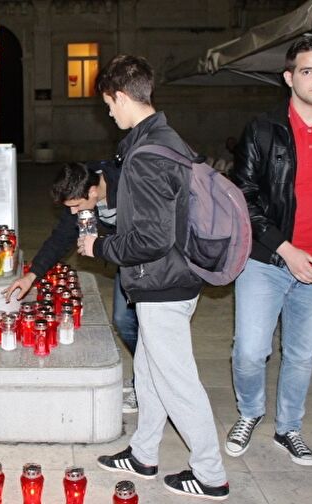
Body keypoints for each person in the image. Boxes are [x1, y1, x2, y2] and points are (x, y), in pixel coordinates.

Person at [78, 55, 229, 500]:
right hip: (177, 276)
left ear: (122, 97)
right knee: (148, 370)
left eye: (109, 104)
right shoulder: (168, 139)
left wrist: (100, 247)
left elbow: (151, 239)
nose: (109, 113)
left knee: (177, 380)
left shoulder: (145, 155)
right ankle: (144, 453)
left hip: (163, 282)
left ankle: (210, 473)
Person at [226, 35, 312, 466]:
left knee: (301, 355)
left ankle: (289, 428)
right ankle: (250, 413)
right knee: (250, 351)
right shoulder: (263, 129)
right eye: (307, 70)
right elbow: (243, 197)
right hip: (266, 260)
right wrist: (285, 248)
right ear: (289, 77)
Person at [1, 158, 140, 414]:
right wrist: (31, 276)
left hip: (152, 261)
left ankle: (148, 383)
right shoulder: (81, 195)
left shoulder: (131, 185)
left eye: (77, 206)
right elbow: (61, 238)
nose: (75, 212)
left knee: (148, 327)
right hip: (126, 262)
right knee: (124, 321)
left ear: (93, 192)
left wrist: (101, 246)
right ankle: (145, 379)